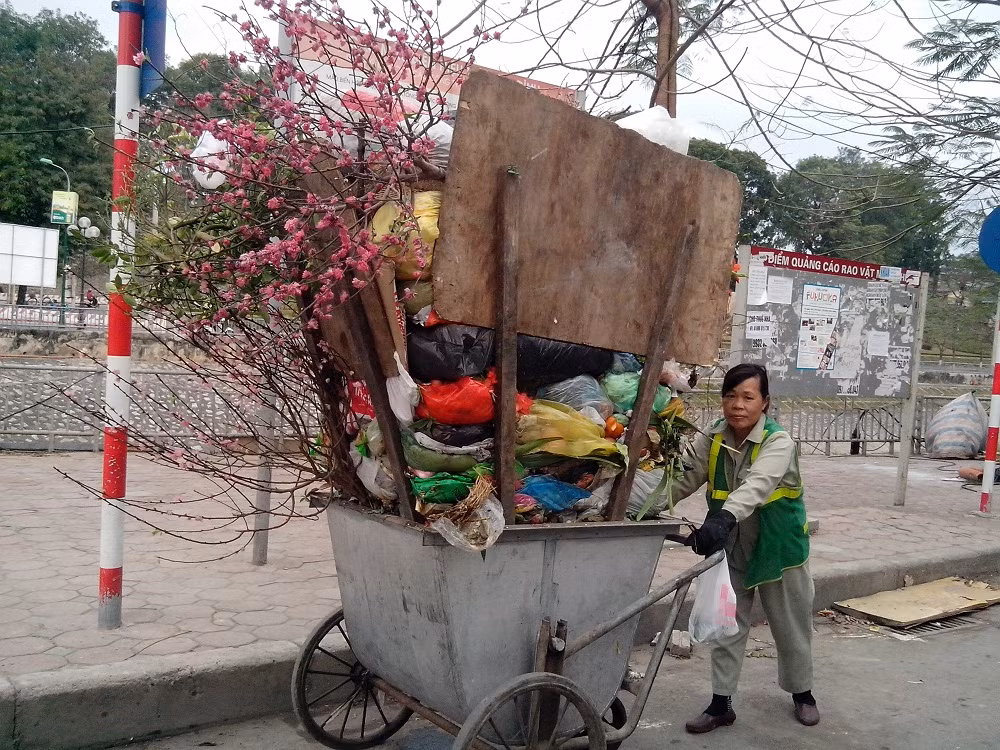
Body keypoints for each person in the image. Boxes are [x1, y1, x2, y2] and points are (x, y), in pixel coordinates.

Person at [669, 363, 818, 732]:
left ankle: (803, 693)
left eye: (748, 397)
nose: (738, 405)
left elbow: (758, 484)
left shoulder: (778, 441)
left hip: (778, 548)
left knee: (790, 626)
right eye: (731, 396)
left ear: (764, 402)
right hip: (732, 546)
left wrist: (721, 518)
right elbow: (681, 478)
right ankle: (721, 704)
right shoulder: (713, 437)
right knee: (727, 624)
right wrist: (634, 504)